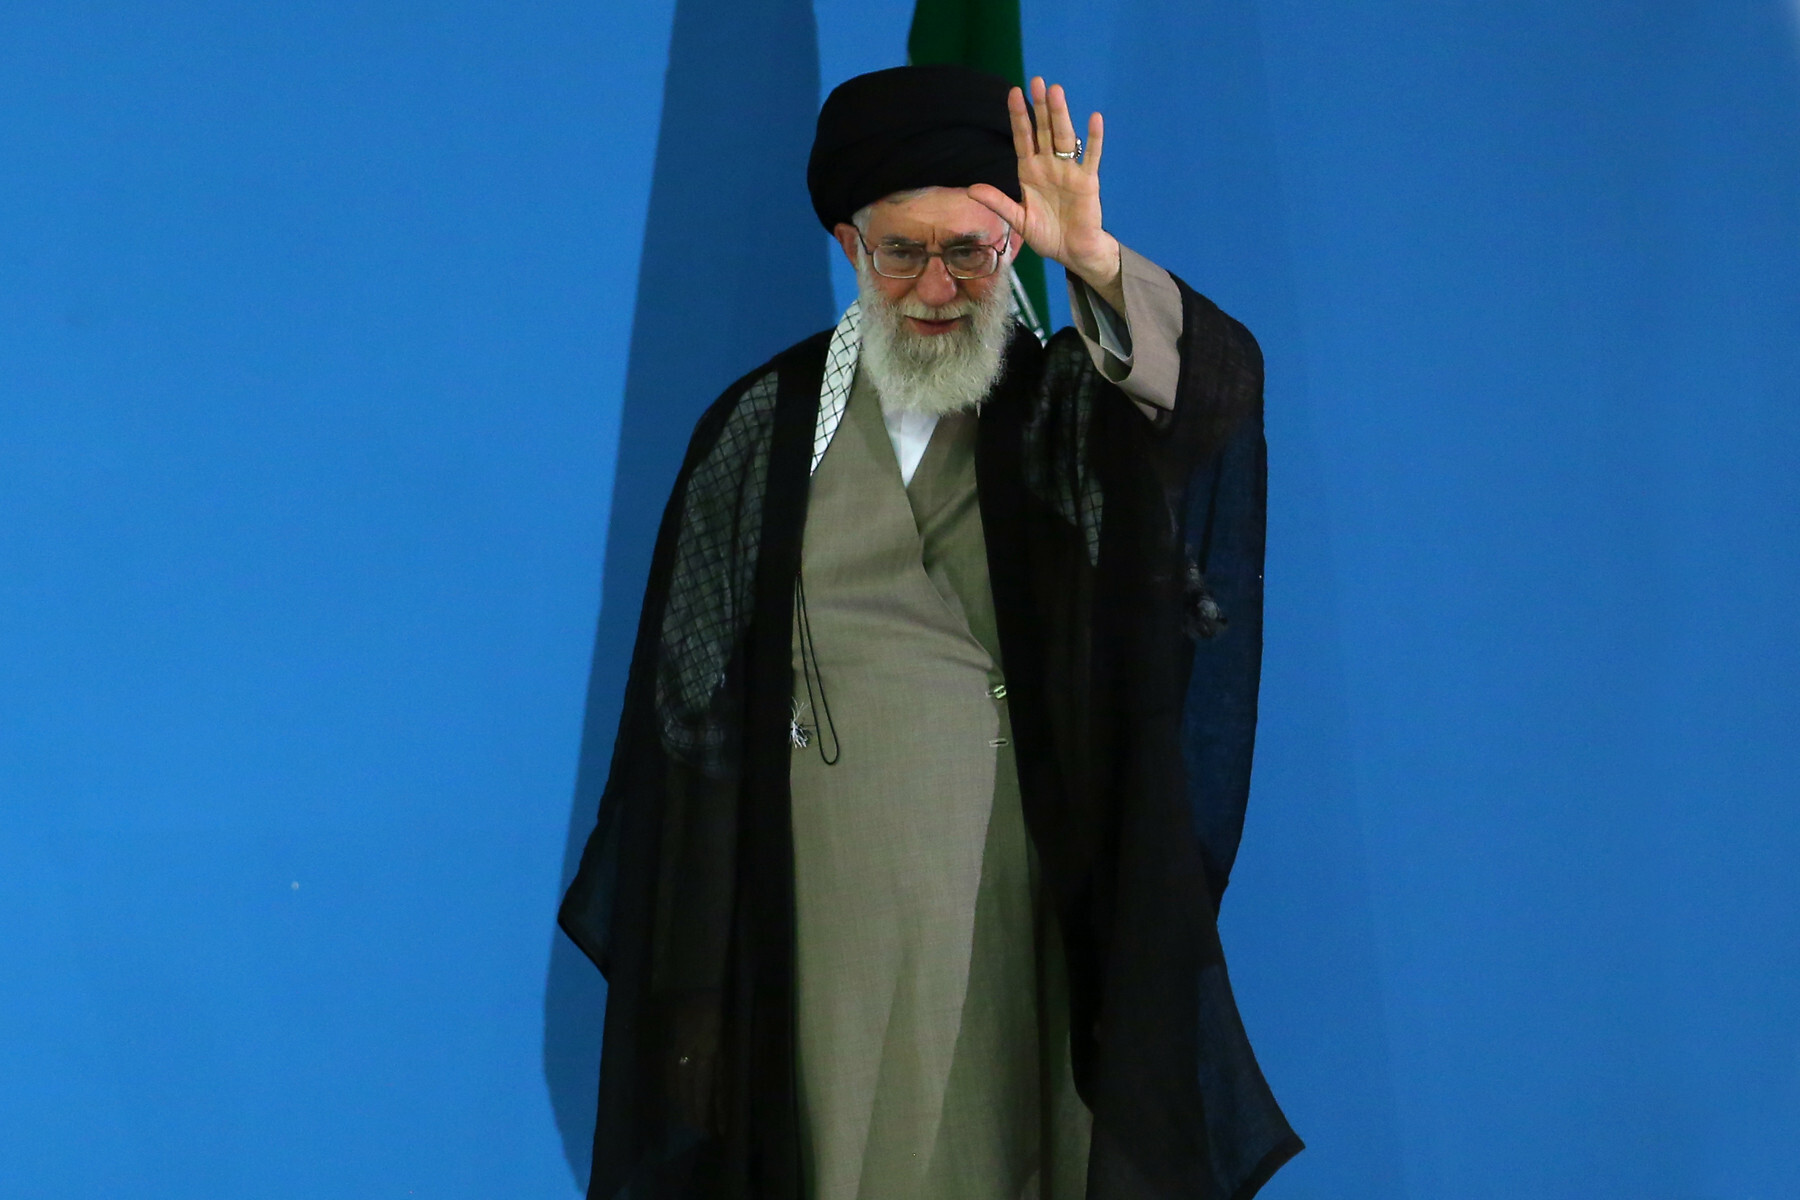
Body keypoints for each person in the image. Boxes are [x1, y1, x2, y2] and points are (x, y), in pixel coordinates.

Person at [560, 64, 1301, 1200]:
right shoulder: (763, 426)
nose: (938, 287)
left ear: (1012, 244)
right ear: (849, 246)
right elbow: (687, 717)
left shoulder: (1063, 408)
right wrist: (700, 988)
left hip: (1019, 897)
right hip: (822, 912)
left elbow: (1215, 395)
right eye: (902, 252)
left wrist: (1093, 260)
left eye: (970, 252)